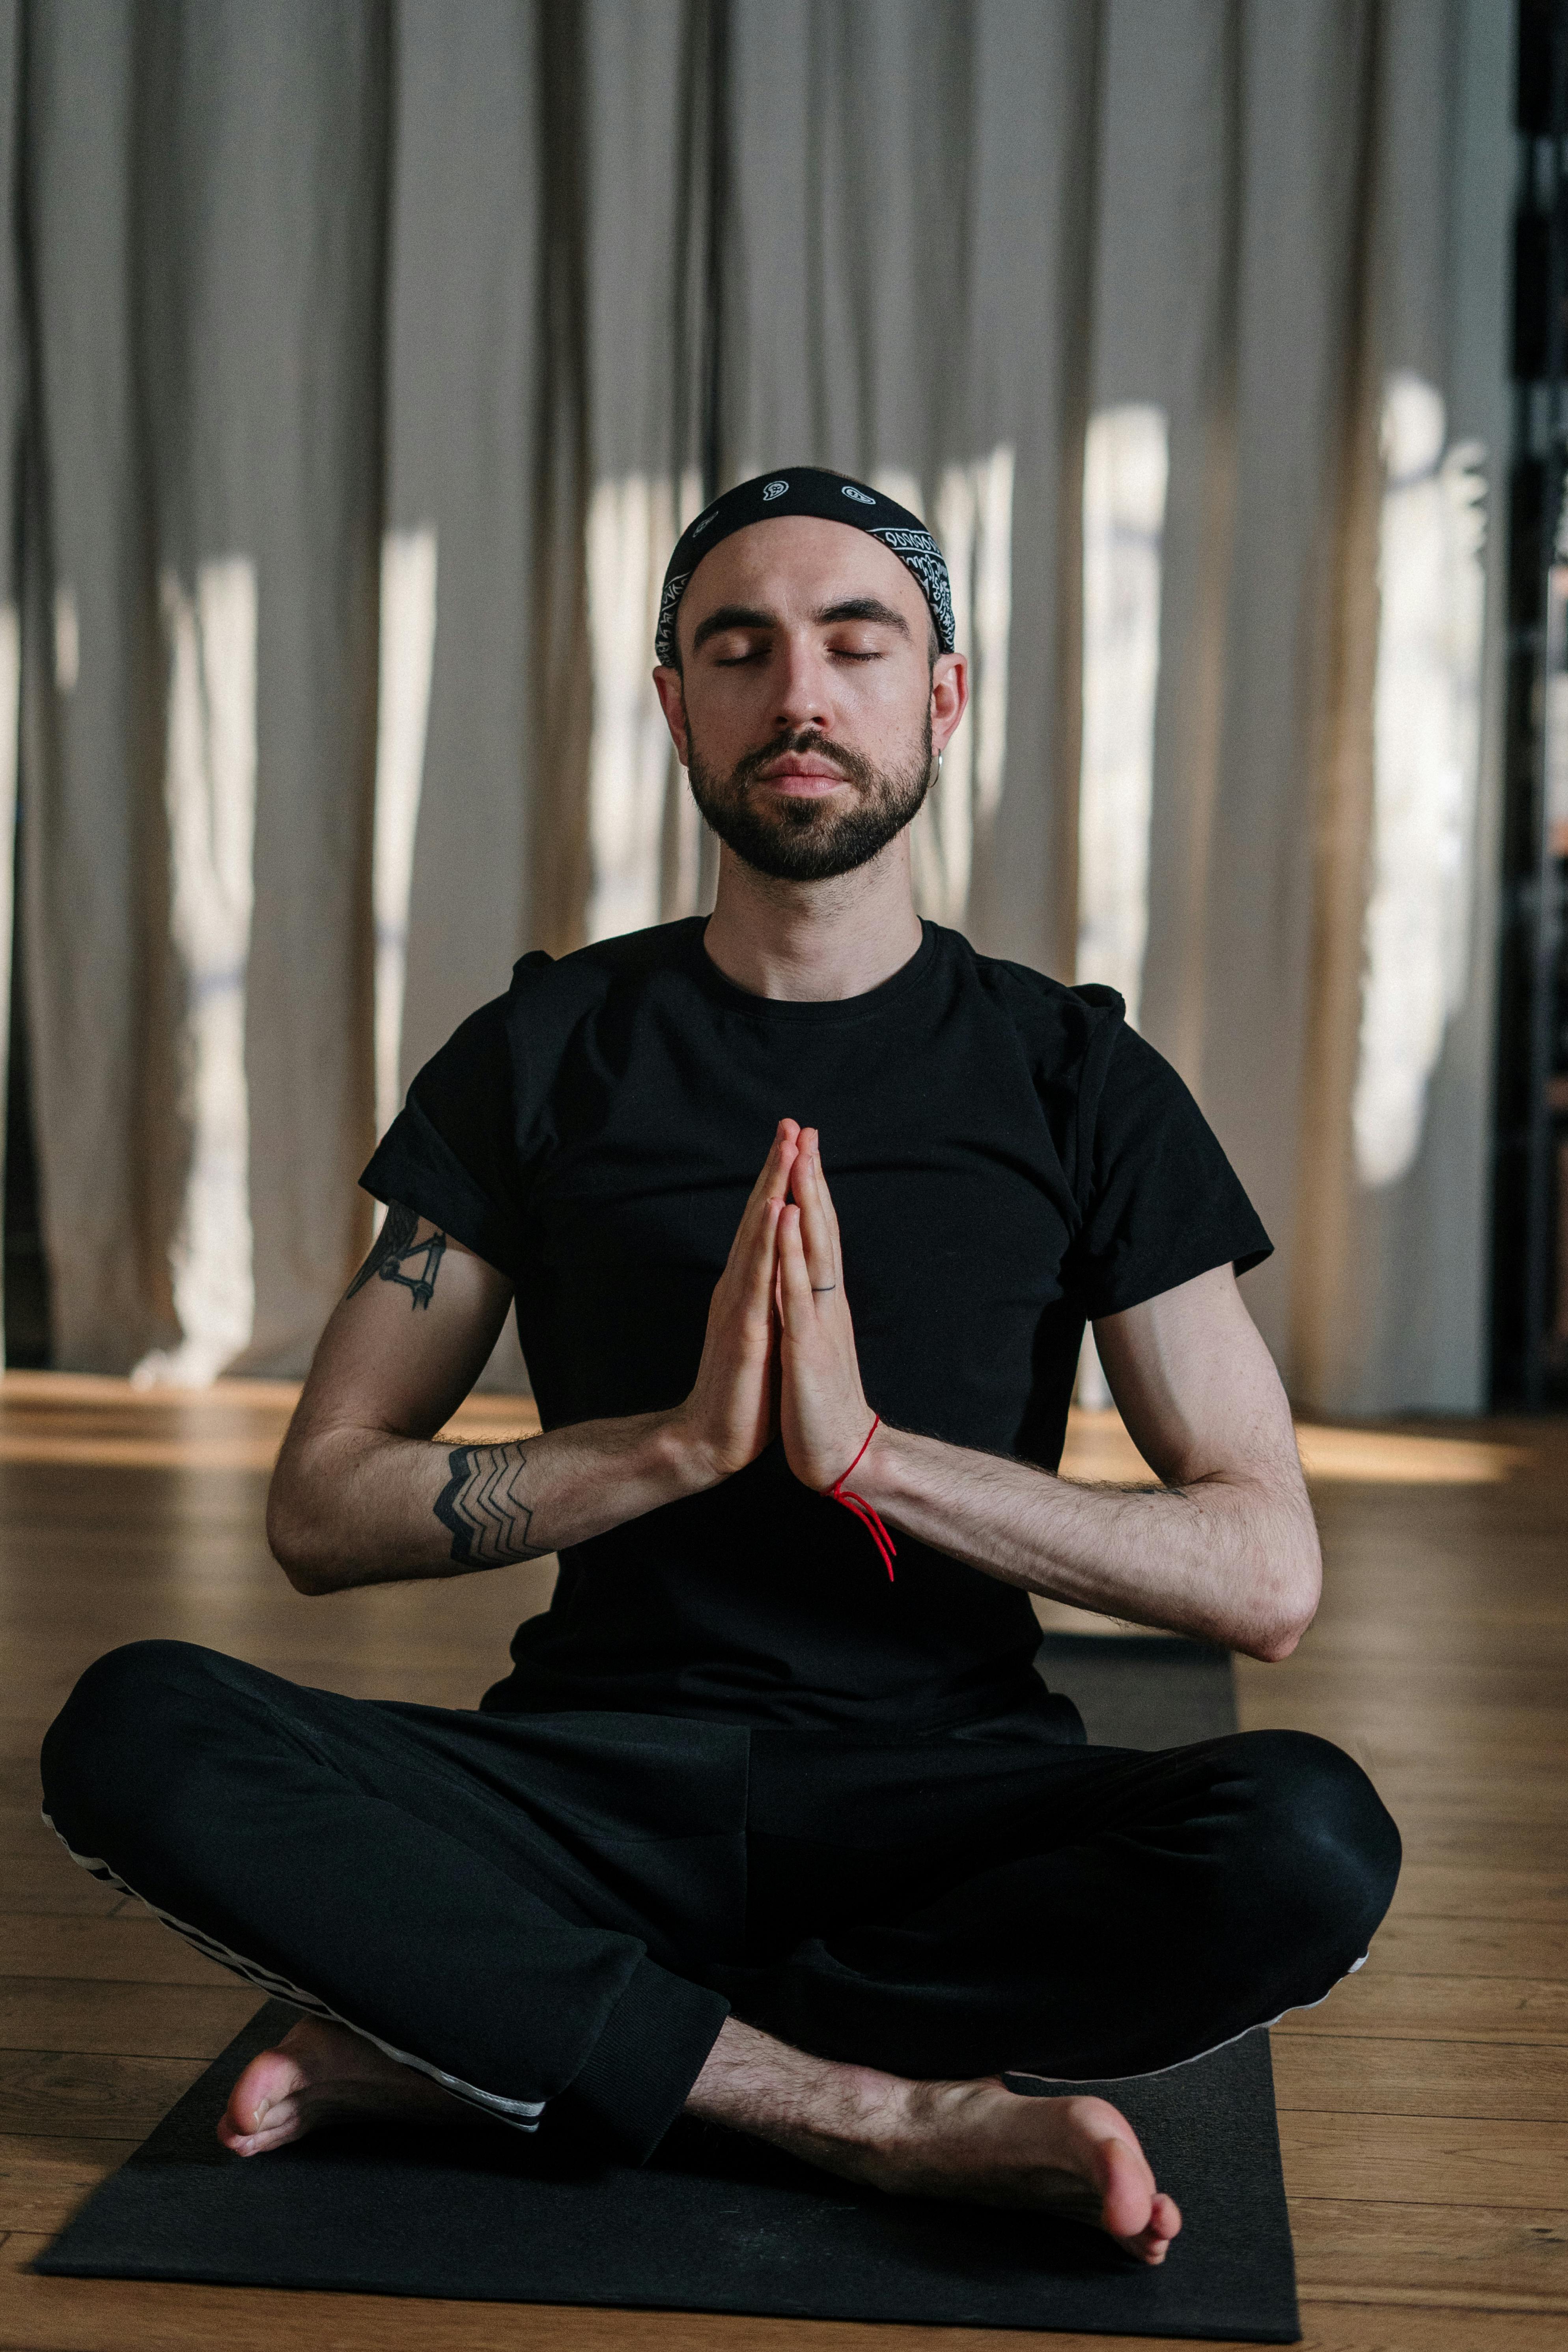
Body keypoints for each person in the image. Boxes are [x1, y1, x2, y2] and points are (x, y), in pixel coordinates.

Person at [42, 468, 1400, 2268]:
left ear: (943, 696)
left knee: (1305, 1837)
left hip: (944, 1809)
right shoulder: (540, 1054)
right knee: (140, 1726)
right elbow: (318, 1504)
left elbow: (1266, 1571)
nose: (803, 696)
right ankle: (859, 2104)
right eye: (740, 651)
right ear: (677, 707)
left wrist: (872, 1463)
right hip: (592, 1787)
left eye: (859, 643)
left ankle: (523, 2045)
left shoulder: (1078, 1084)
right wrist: (675, 1450)